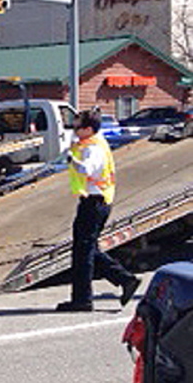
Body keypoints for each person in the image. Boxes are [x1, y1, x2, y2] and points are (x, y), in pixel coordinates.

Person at [56, 109, 140, 312]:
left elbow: (86, 169)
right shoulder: (90, 143)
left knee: (83, 252)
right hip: (95, 201)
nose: (74, 130)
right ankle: (124, 280)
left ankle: (83, 299)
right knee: (87, 248)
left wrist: (71, 160)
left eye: (77, 127)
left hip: (95, 203)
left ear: (88, 129)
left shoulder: (93, 149)